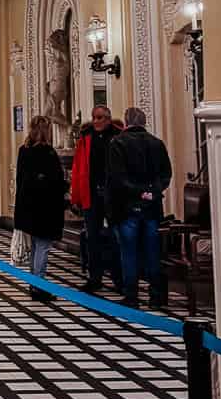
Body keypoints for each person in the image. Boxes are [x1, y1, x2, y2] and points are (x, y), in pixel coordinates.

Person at [106, 106, 173, 309]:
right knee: (153, 251)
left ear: (126, 123)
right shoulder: (157, 143)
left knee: (129, 252)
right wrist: (151, 191)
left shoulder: (117, 143)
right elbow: (166, 174)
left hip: (127, 207)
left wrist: (137, 192)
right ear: (144, 123)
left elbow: (117, 178)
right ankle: (155, 297)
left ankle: (132, 295)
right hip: (151, 207)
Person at [70, 105, 124, 295]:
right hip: (91, 194)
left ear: (108, 118)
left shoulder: (118, 136)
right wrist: (75, 195)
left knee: (115, 238)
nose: (96, 121)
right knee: (92, 238)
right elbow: (78, 168)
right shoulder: (85, 138)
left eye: (100, 117)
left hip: (113, 195)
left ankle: (119, 279)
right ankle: (95, 278)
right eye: (94, 117)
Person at [14, 116, 66, 300]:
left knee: (36, 246)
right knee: (42, 246)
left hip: (28, 206)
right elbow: (56, 181)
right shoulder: (47, 152)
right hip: (45, 207)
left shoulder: (24, 150)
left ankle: (33, 282)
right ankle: (39, 285)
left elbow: (21, 180)